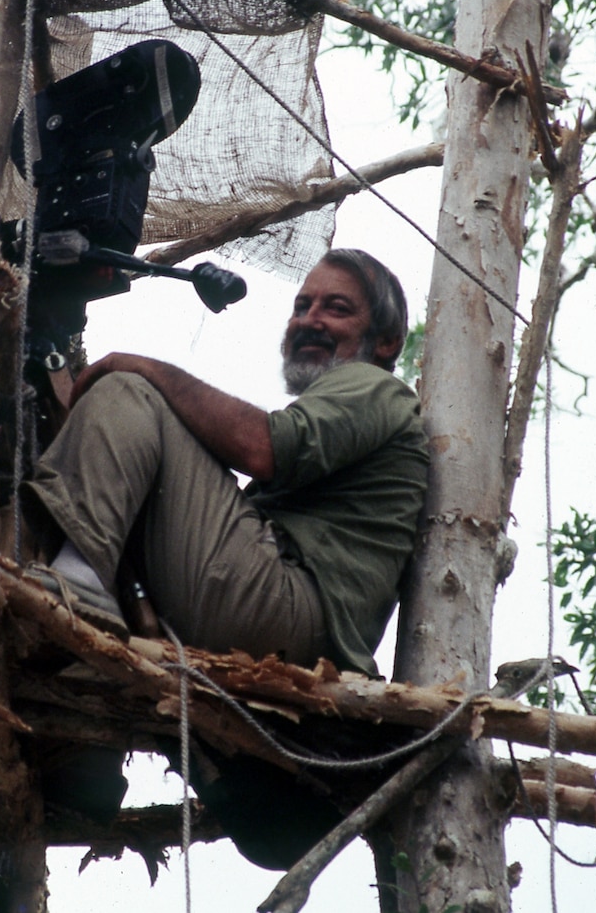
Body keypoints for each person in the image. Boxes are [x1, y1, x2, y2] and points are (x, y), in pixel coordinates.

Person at [24, 248, 429, 679]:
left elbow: (263, 448)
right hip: (290, 627)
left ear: (386, 342)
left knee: (127, 389)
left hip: (288, 609)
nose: (309, 321)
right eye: (301, 307)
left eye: (337, 308)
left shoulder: (377, 388)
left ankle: (76, 583)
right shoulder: (351, 424)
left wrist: (142, 367)